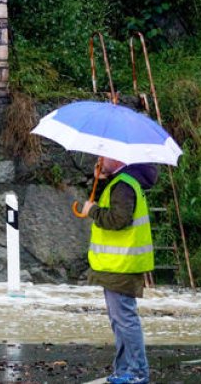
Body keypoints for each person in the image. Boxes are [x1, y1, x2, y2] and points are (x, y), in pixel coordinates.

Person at [81, 157, 158, 384]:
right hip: (117, 264)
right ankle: (125, 369)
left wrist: (93, 211)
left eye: (104, 157)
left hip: (121, 265)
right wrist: (101, 178)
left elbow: (118, 219)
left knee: (124, 319)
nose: (99, 159)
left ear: (119, 158)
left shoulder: (124, 185)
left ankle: (136, 372)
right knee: (120, 319)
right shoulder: (122, 182)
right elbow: (111, 206)